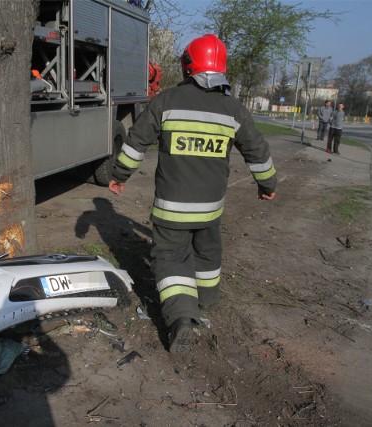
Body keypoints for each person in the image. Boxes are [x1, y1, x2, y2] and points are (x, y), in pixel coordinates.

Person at [108, 34, 277, 353]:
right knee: (207, 254)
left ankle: (182, 318)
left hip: (171, 210)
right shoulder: (234, 110)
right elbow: (258, 151)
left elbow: (136, 141)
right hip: (211, 210)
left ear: (188, 66)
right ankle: (204, 301)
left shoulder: (166, 101)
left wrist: (119, 175)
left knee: (170, 258)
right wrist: (267, 185)